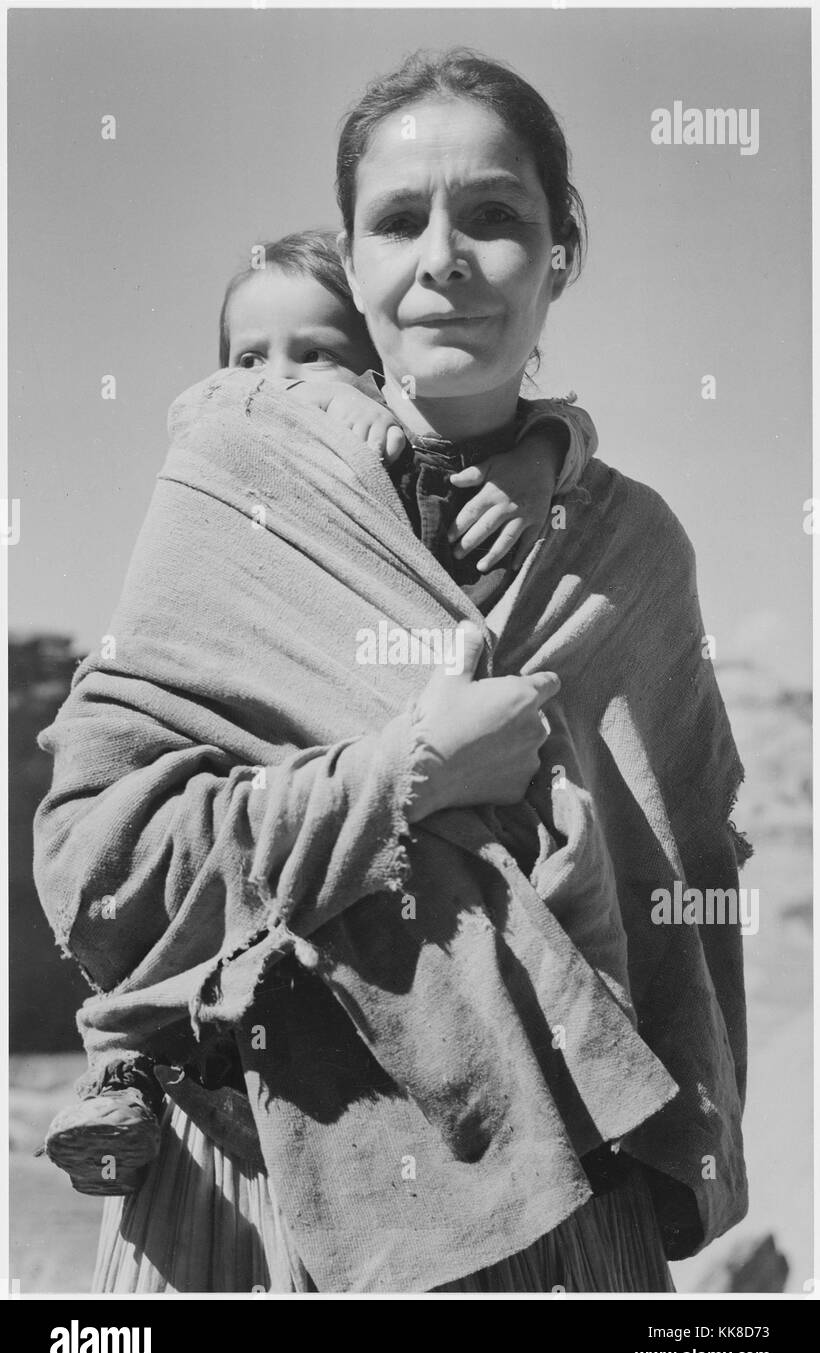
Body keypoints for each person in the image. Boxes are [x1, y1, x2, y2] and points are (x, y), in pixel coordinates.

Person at [34, 49, 748, 1294]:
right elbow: (97, 874)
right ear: (353, 259)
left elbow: (684, 902)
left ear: (561, 250)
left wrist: (699, 1164)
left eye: (494, 216)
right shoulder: (230, 484)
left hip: (560, 1205)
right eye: (400, 219)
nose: (444, 257)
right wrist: (407, 774)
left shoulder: (627, 552)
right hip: (243, 1199)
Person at [41, 227, 596, 1196]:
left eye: (316, 353)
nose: (278, 377)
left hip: (355, 836)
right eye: (249, 354)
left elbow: (532, 431)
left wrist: (546, 451)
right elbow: (210, 411)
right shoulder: (218, 445)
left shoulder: (408, 466)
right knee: (165, 913)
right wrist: (311, 408)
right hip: (223, 793)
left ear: (381, 367)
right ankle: (121, 1063)